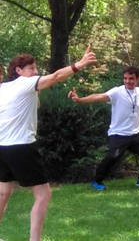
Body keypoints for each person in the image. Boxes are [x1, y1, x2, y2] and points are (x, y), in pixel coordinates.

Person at [0, 46, 96, 241]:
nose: (35, 73)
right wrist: (79, 64)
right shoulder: (23, 84)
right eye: (31, 69)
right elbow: (55, 77)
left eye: (36, 68)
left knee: (3, 193)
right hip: (21, 147)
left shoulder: (4, 89)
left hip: (2, 148)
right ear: (18, 71)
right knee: (43, 195)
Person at [67, 66, 139, 190]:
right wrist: (80, 100)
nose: (128, 81)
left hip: (134, 134)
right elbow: (98, 96)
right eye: (125, 78)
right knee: (112, 157)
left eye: (131, 78)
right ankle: (97, 181)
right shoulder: (117, 92)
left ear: (137, 79)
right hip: (118, 134)